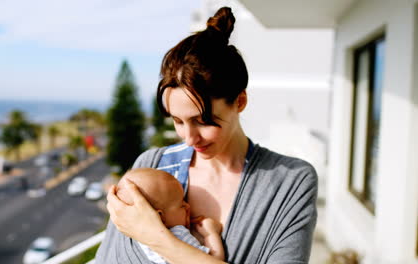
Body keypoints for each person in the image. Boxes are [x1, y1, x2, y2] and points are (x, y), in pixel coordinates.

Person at [95, 6, 318, 264]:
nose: (189, 138)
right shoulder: (151, 168)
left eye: (203, 121)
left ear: (240, 101)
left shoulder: (290, 183)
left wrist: (157, 238)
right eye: (177, 121)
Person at [116, 168, 225, 262]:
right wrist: (210, 234)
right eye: (181, 204)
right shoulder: (178, 235)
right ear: (159, 217)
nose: (188, 206)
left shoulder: (142, 241)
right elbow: (214, 259)